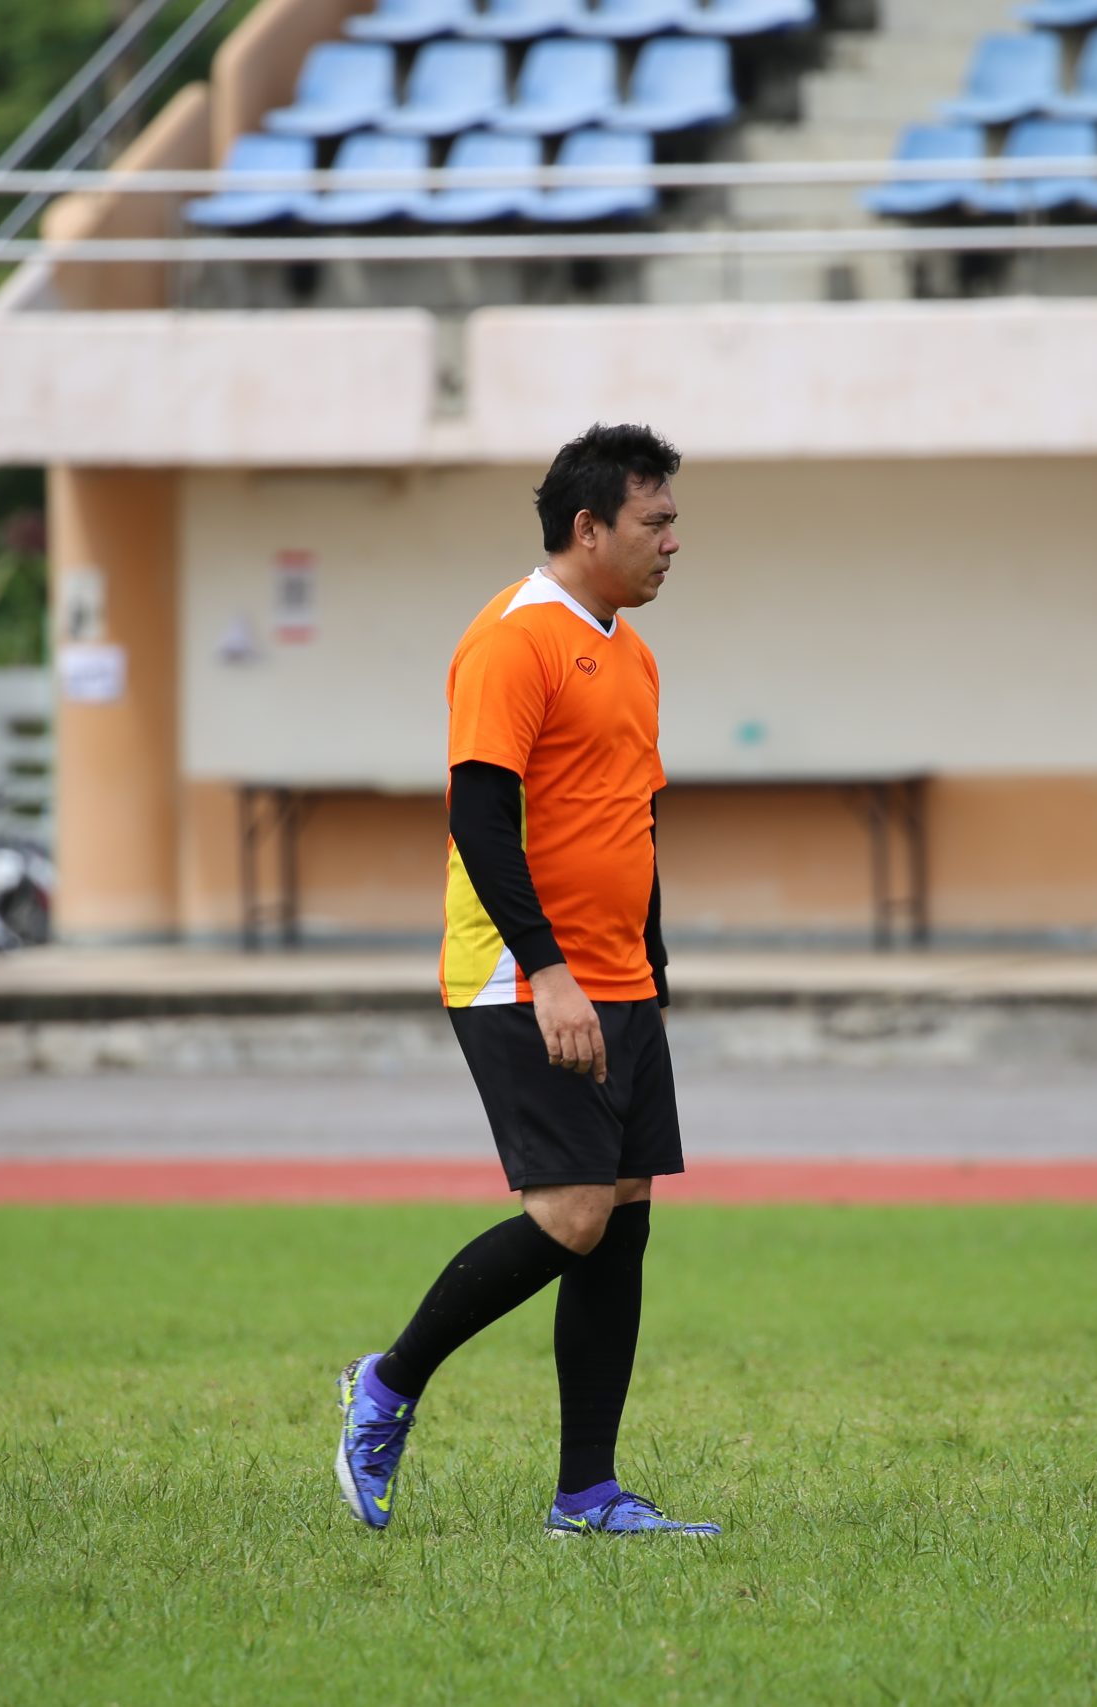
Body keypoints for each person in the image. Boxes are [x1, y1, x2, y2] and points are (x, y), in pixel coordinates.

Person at [334, 424, 719, 1538]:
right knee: (572, 1213)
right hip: (522, 975)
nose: (672, 542)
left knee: (624, 1212)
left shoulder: (633, 653)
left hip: (617, 979)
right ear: (588, 528)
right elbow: (479, 817)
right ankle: (388, 1382)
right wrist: (550, 970)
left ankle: (587, 1494)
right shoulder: (513, 640)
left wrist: (649, 966)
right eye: (655, 522)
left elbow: (635, 818)